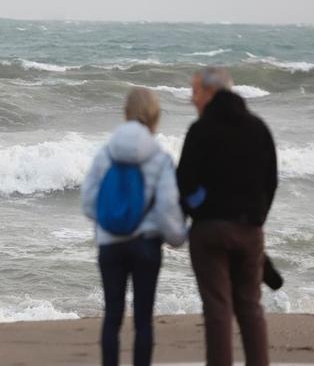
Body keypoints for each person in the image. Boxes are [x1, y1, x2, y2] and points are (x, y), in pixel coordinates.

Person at [177, 67, 278, 366]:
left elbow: (184, 182)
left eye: (195, 92)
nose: (192, 100)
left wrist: (197, 210)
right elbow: (270, 181)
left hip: (209, 231)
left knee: (217, 309)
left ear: (211, 92)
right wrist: (257, 217)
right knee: (250, 307)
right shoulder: (258, 128)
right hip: (249, 230)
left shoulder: (201, 130)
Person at [82, 87, 187, 366]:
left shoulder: (106, 153)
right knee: (143, 320)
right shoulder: (160, 158)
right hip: (146, 245)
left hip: (110, 244)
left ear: (126, 113)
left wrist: (109, 222)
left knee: (112, 316)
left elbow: (88, 201)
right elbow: (166, 208)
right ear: (155, 118)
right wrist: (177, 237)